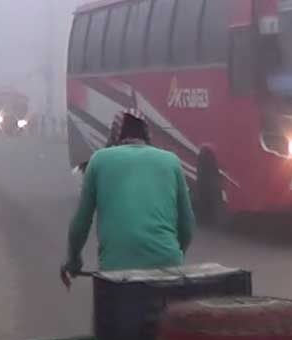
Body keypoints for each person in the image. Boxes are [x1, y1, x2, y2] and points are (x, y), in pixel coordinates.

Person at [61, 110, 195, 287]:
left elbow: (81, 223)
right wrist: (176, 258)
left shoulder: (99, 160)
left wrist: (74, 261)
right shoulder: (171, 161)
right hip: (166, 268)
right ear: (147, 134)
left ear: (114, 134)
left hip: (116, 271)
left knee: (111, 314)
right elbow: (187, 224)